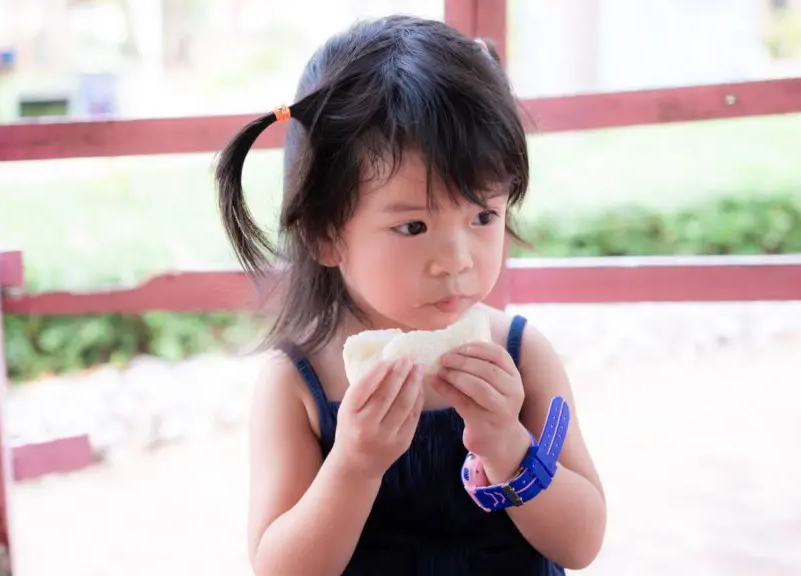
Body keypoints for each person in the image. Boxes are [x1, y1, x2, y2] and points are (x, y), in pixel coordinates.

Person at [214, 14, 606, 576]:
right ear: (327, 233)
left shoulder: (520, 355)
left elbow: (582, 543)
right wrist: (354, 463)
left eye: (483, 215)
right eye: (413, 227)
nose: (458, 258)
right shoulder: (298, 384)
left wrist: (505, 442)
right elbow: (281, 568)